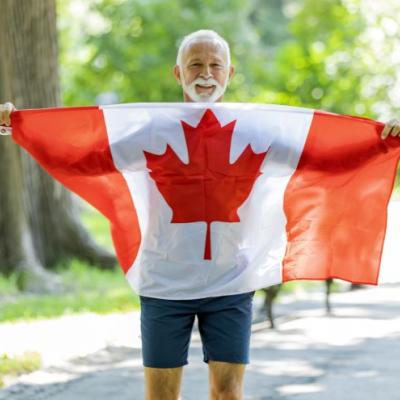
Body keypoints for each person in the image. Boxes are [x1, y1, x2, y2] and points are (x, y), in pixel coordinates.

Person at [1, 29, 400, 400]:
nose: (205, 74)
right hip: (164, 285)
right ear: (178, 72)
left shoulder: (256, 132)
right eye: (195, 64)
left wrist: (382, 144)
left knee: (227, 393)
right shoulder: (151, 131)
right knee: (162, 396)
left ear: (229, 72)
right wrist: (22, 128)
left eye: (215, 65)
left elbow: (321, 160)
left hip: (231, 283)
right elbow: (85, 159)